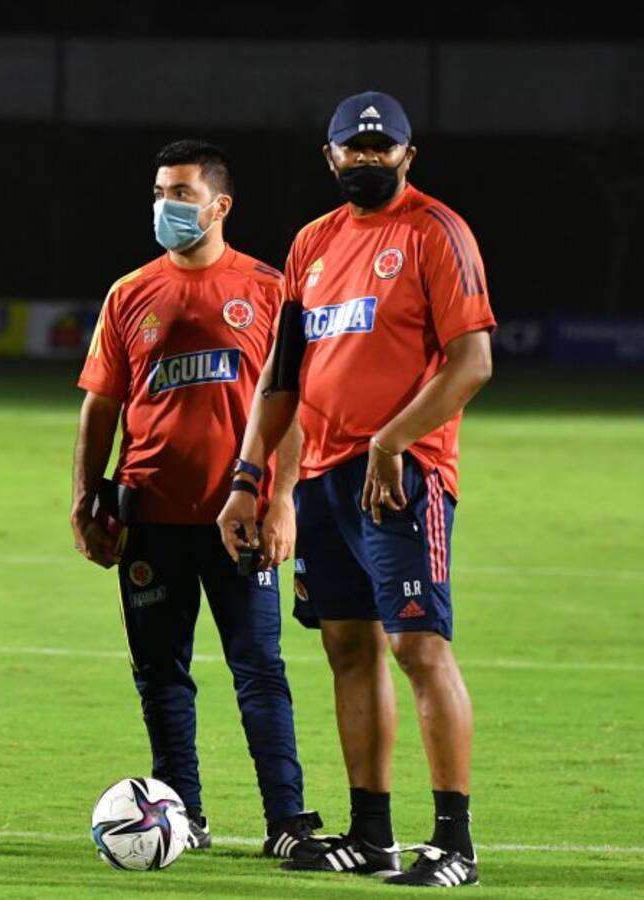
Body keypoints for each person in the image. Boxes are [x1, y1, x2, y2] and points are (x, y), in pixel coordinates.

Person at [217, 91, 495, 887]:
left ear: (409, 156)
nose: (368, 159)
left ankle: (453, 843)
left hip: (402, 478)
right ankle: (371, 832)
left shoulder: (436, 232)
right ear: (331, 157)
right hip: (321, 477)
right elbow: (283, 371)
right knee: (347, 647)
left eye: (383, 148)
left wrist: (394, 441)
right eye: (355, 148)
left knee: (418, 645)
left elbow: (472, 360)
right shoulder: (312, 243)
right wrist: (249, 476)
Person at [71, 140, 328, 860]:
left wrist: (283, 501)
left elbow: (294, 404)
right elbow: (99, 407)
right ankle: (182, 814)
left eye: (181, 194)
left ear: (221, 206)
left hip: (239, 519)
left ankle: (286, 819)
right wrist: (85, 500)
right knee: (160, 676)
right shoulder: (129, 294)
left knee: (259, 668)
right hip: (148, 516)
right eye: (159, 193)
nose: (166, 206)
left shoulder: (271, 289)